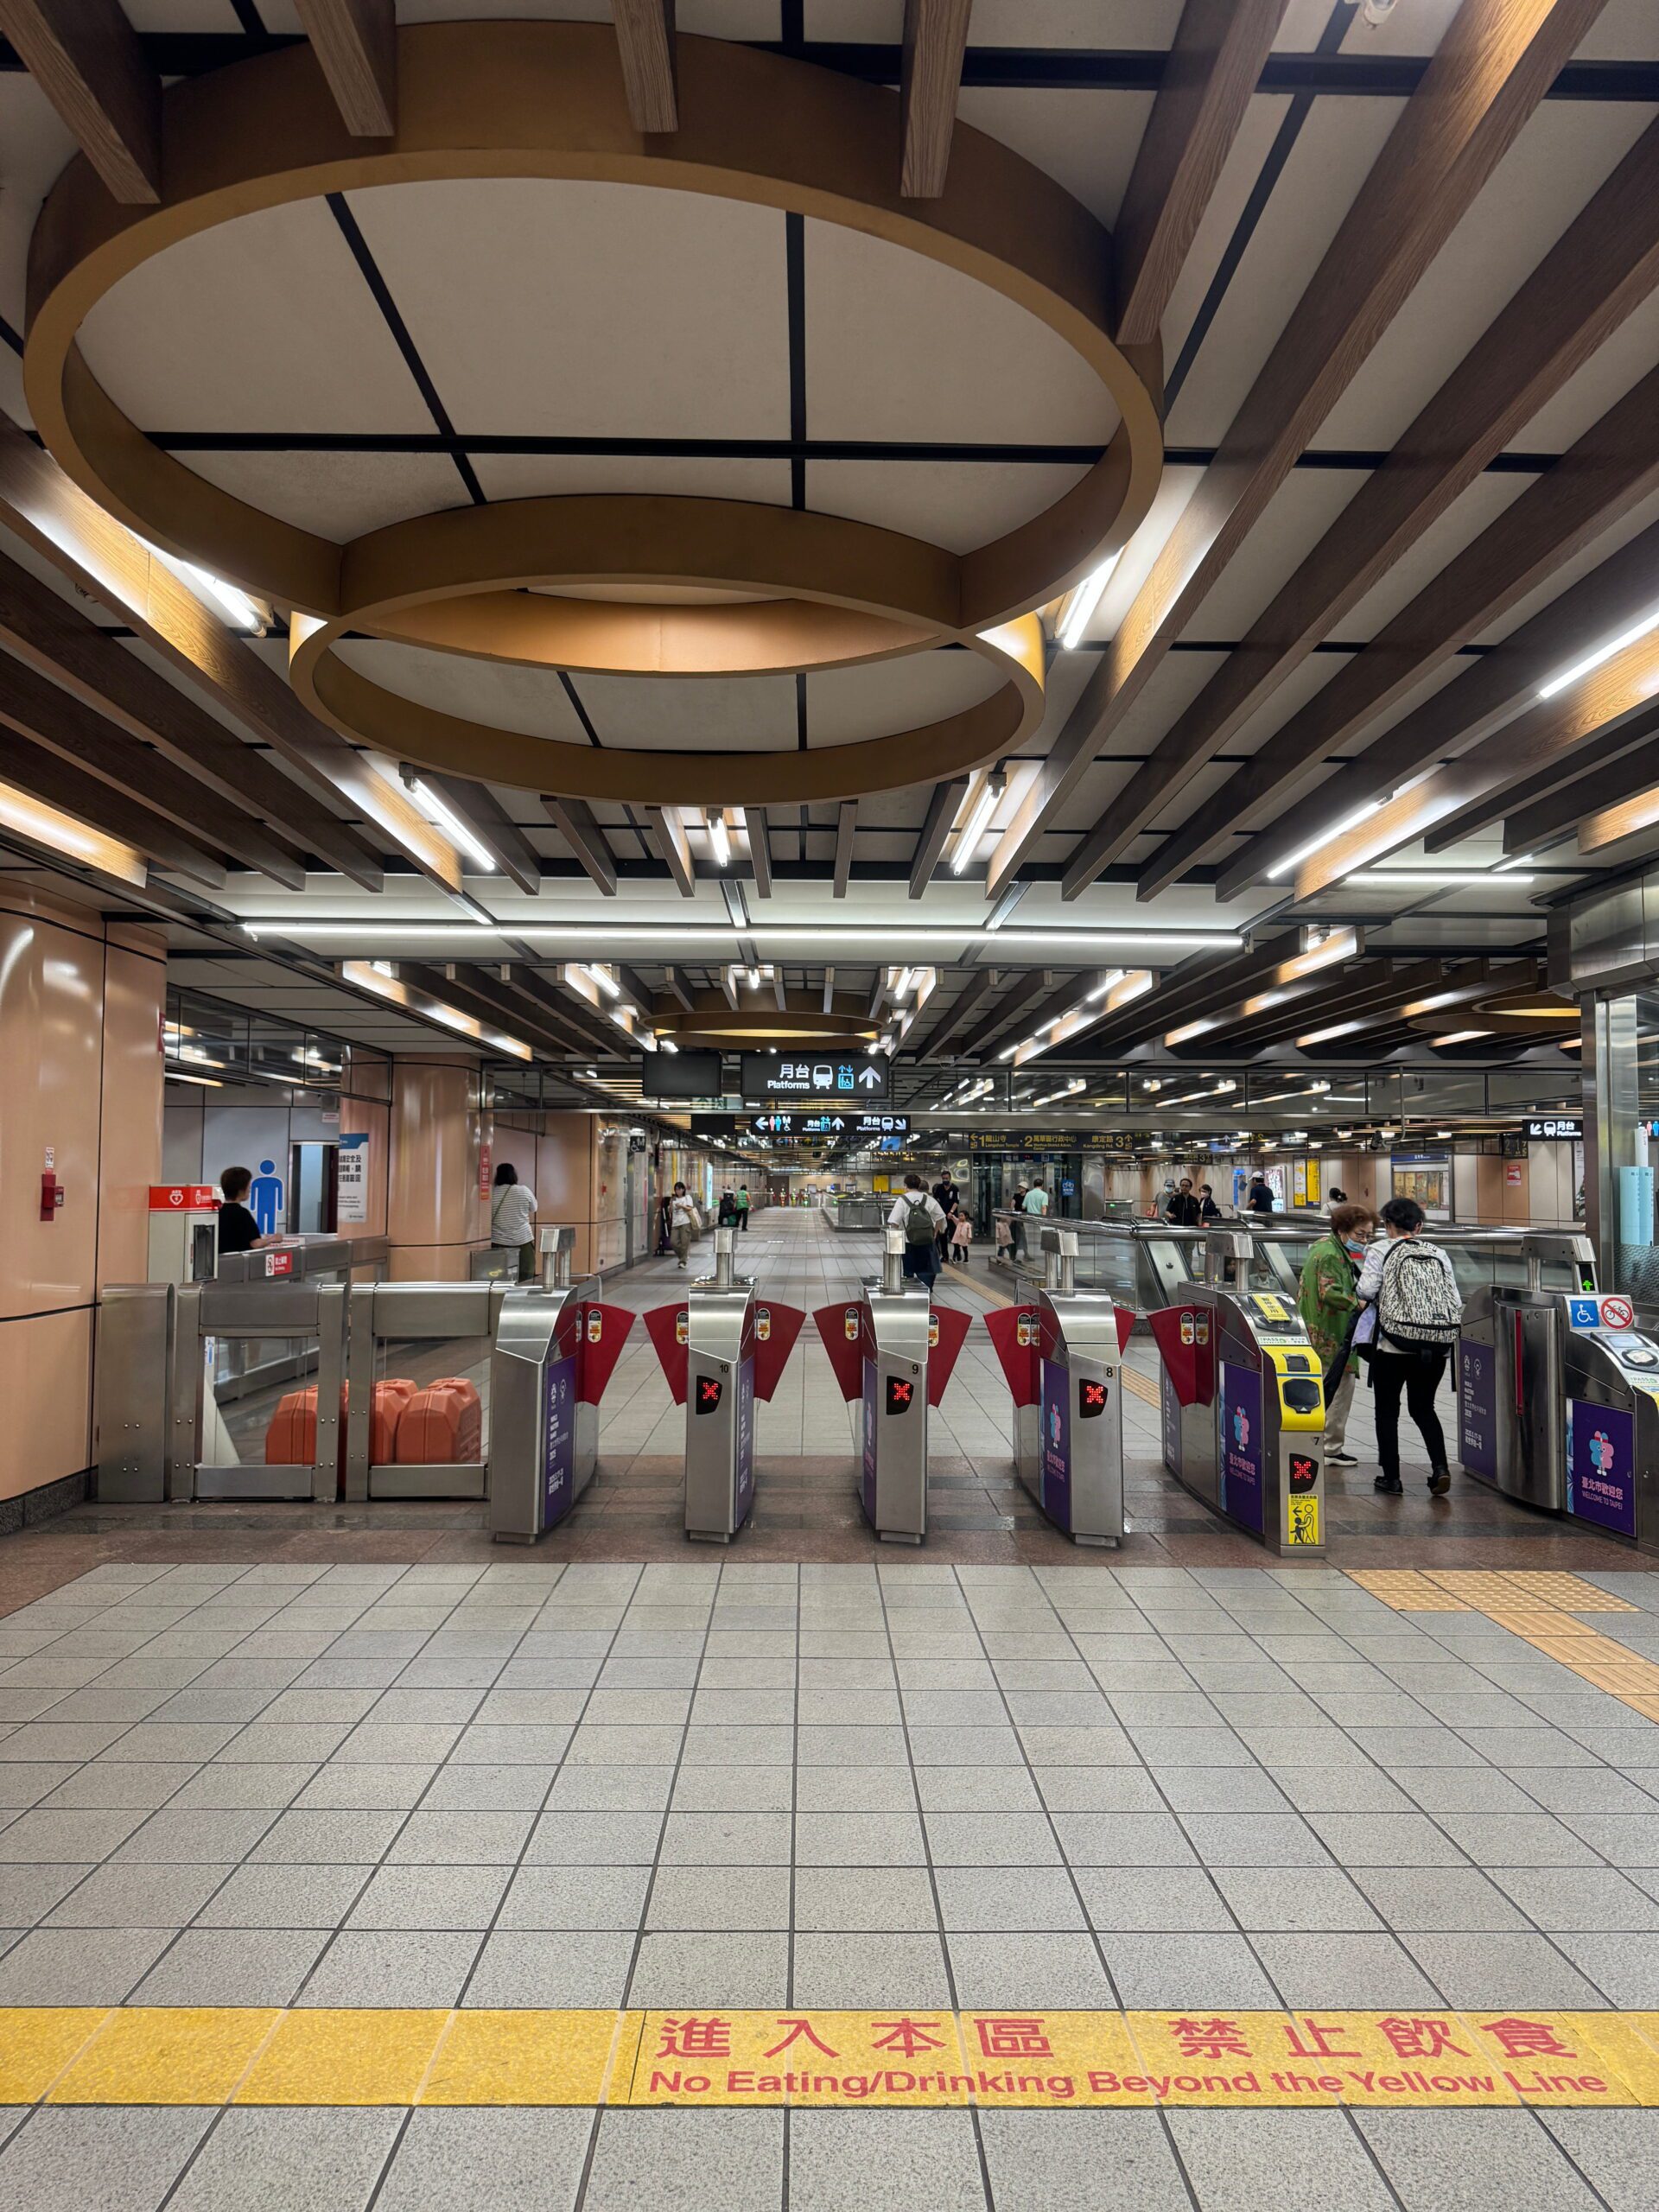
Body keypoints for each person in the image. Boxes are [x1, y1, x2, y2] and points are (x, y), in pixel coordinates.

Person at [1357, 1195, 1461, 1497]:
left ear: (1388, 1225)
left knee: (1387, 1411)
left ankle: (1392, 1478)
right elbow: (1454, 1299)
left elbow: (1366, 1290)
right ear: (1419, 1226)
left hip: (1393, 1344)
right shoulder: (1438, 1253)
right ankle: (1440, 1468)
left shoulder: (1379, 1249)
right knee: (1424, 1408)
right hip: (1435, 1345)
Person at [1297, 1201, 1376, 1469]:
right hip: (1331, 1333)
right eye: (1359, 1234)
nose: (1364, 1240)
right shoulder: (1332, 1254)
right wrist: (1359, 1303)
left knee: (1323, 1389)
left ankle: (1319, 1443)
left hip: (1318, 1330)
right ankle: (1330, 1447)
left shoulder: (1324, 1246)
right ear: (1342, 1229)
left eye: (1368, 1235)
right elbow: (1329, 1292)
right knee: (1339, 1389)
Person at [889, 1171, 945, 1286]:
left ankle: (911, 1291)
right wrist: (935, 1233)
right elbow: (940, 1217)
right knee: (925, 1270)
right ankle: (927, 1290)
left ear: (905, 1185)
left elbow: (894, 1222)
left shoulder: (902, 1200)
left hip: (908, 1241)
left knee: (909, 1270)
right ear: (919, 1185)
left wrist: (896, 1239)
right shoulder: (928, 1199)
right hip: (926, 1240)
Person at [490, 1160, 539, 1282]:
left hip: (499, 1241)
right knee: (526, 1276)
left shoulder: (492, 1194)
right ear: (514, 1175)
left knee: (499, 1275)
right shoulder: (524, 1190)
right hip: (523, 1240)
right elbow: (534, 1208)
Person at [216, 1165, 265, 1255]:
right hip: (238, 1260)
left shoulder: (217, 1212)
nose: (250, 1191)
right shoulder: (242, 1214)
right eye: (249, 1187)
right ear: (241, 1190)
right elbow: (255, 1243)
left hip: (219, 1260)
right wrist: (272, 1239)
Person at [667, 1181, 700, 1269]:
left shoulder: (687, 1198)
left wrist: (681, 1206)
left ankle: (682, 1262)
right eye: (676, 1189)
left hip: (685, 1223)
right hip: (675, 1223)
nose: (677, 1191)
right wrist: (671, 1204)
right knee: (673, 1242)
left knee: (685, 1243)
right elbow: (670, 1211)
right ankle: (684, 1256)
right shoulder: (673, 1199)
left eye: (679, 1189)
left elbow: (690, 1208)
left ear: (683, 1189)